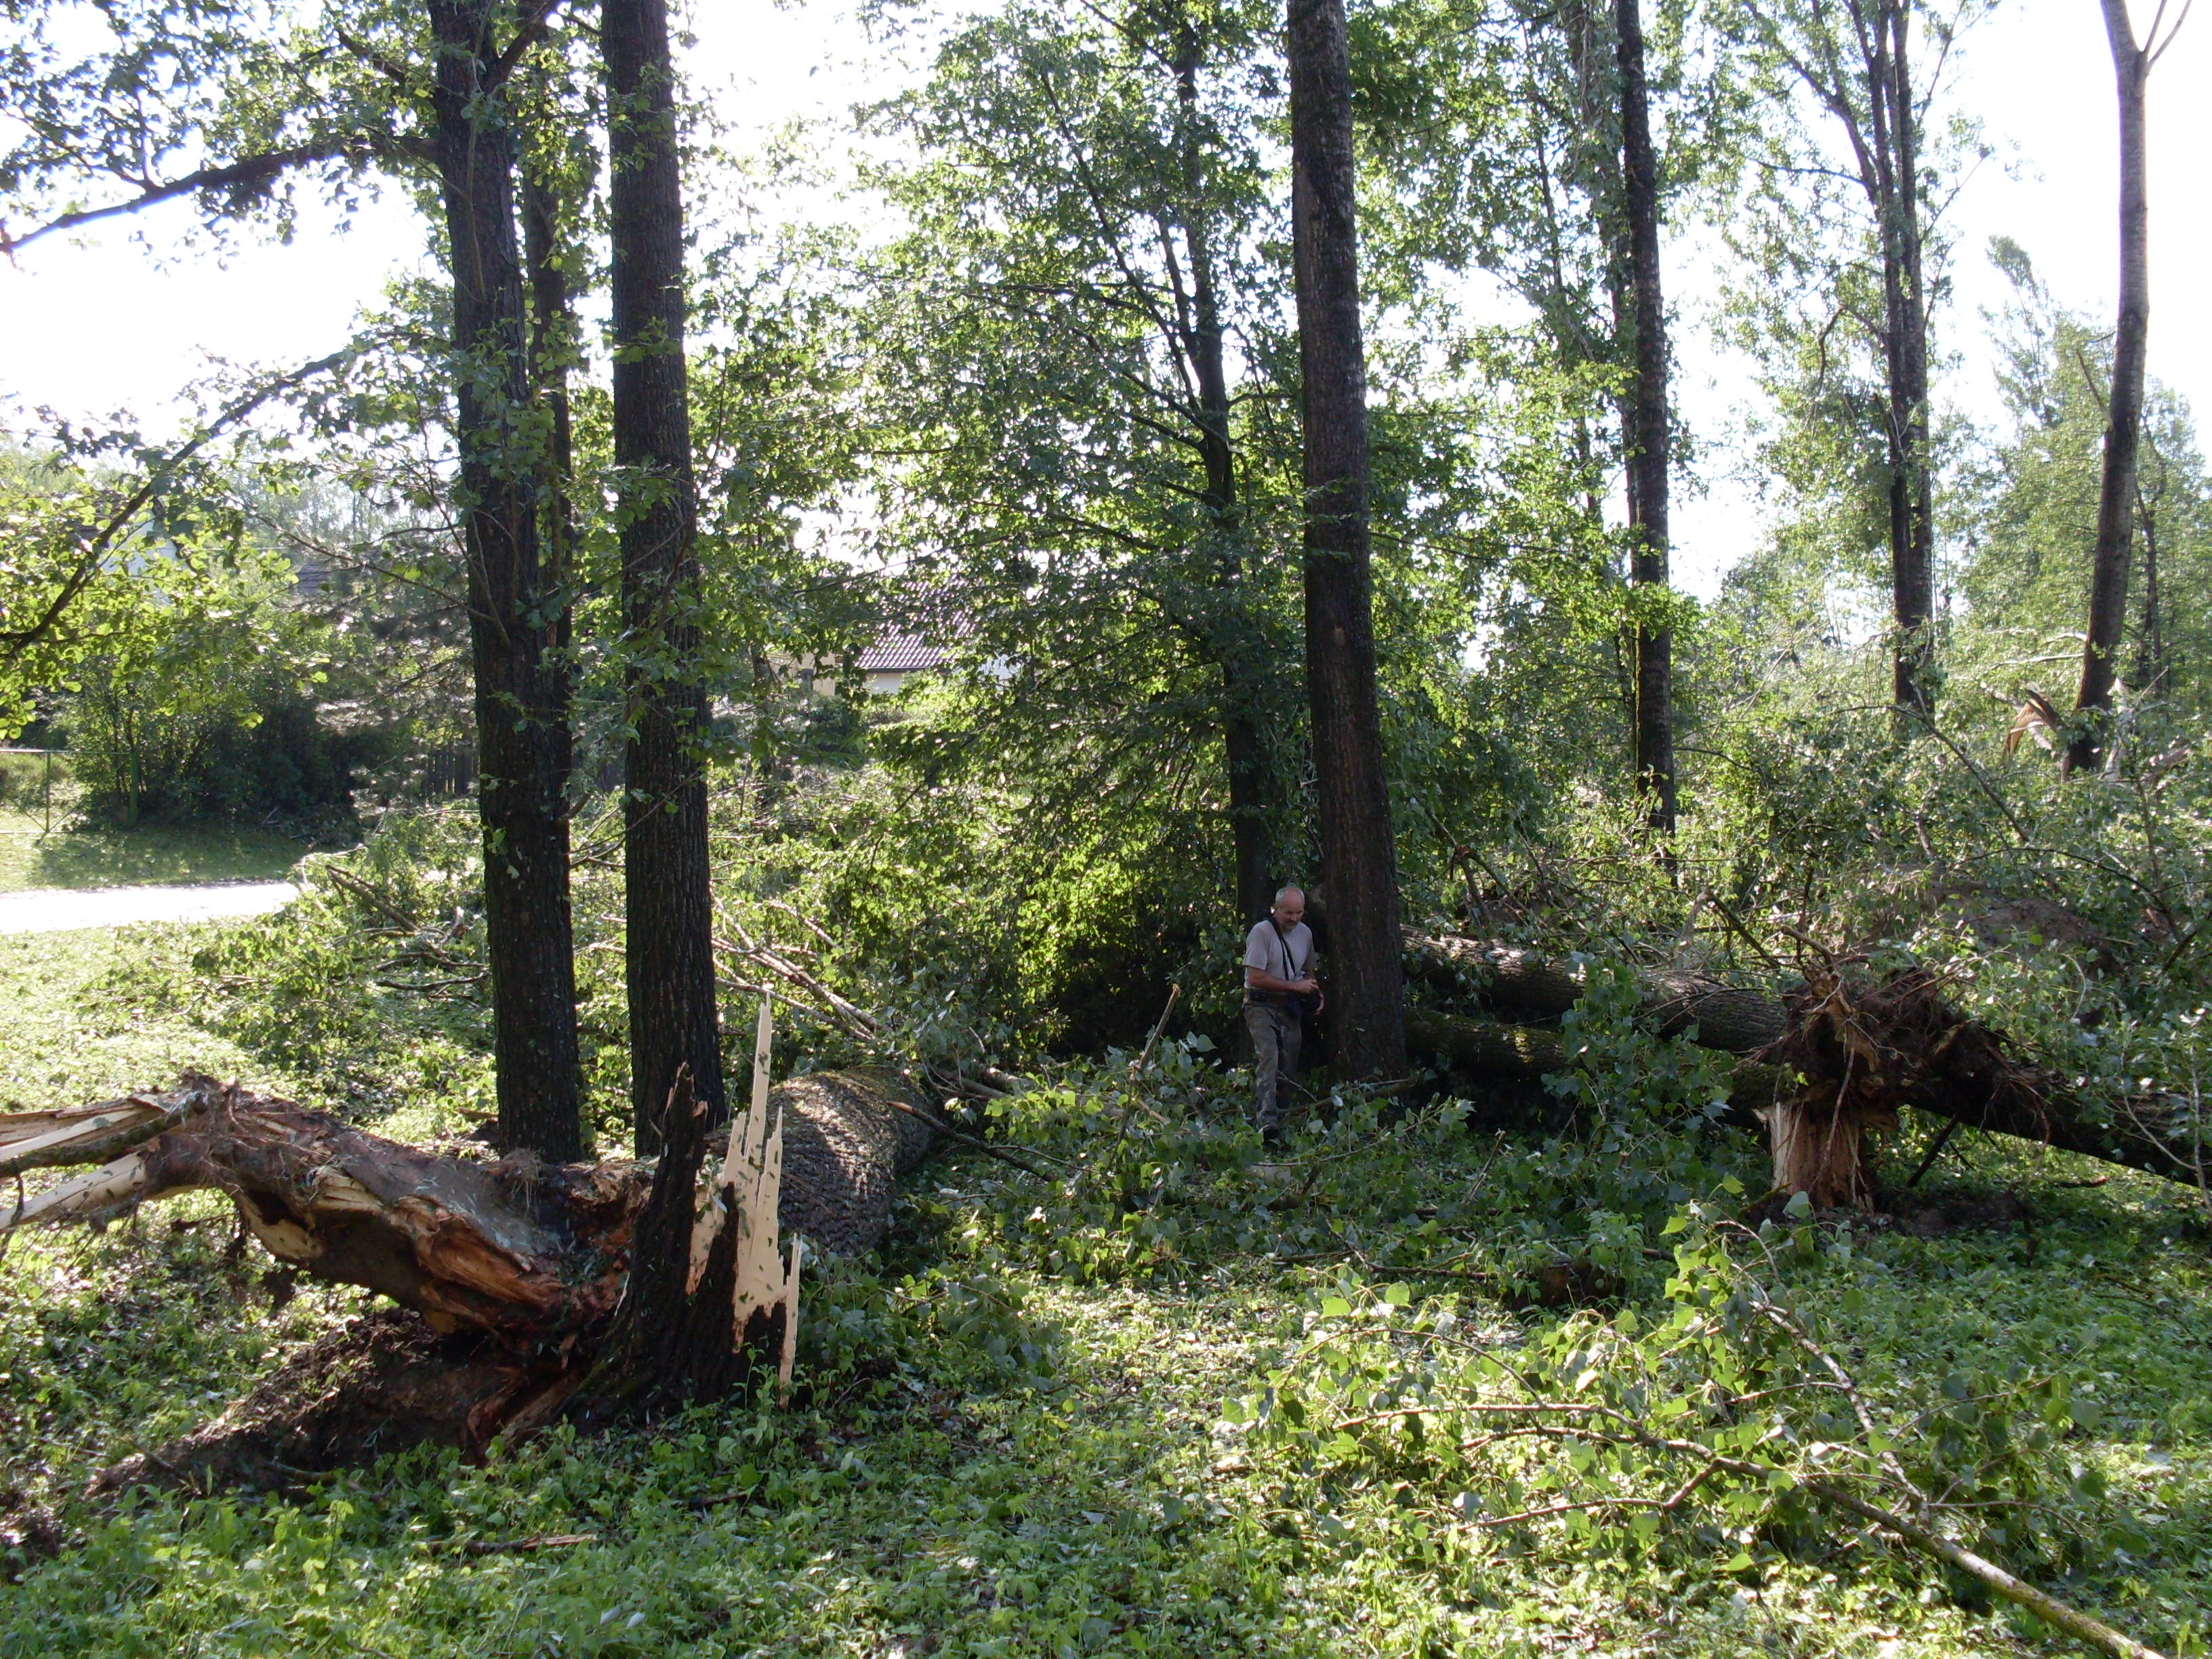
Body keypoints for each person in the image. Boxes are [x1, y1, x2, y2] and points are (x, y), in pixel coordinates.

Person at [1242, 885, 1320, 1147]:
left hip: (1289, 1006)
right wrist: (1294, 986)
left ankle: (1283, 1118)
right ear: (1276, 909)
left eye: (1299, 913)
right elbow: (1255, 977)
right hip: (1260, 1004)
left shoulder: (1305, 934)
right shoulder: (1262, 933)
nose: (1294, 918)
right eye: (1289, 913)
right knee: (1269, 1056)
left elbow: (1309, 972)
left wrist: (1316, 993)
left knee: (1289, 1062)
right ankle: (1267, 1124)